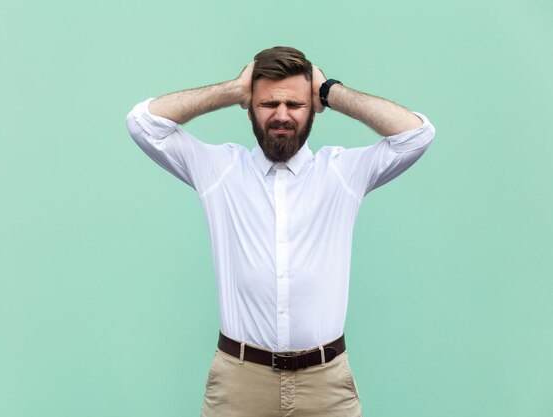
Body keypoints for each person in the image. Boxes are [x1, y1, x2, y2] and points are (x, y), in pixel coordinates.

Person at [125, 46, 435, 417]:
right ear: (250, 106)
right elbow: (142, 122)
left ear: (313, 109)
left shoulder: (342, 172)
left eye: (296, 104)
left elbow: (416, 135)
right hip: (240, 384)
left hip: (326, 385)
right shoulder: (218, 169)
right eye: (269, 103)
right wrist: (232, 89)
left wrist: (330, 90)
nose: (282, 115)